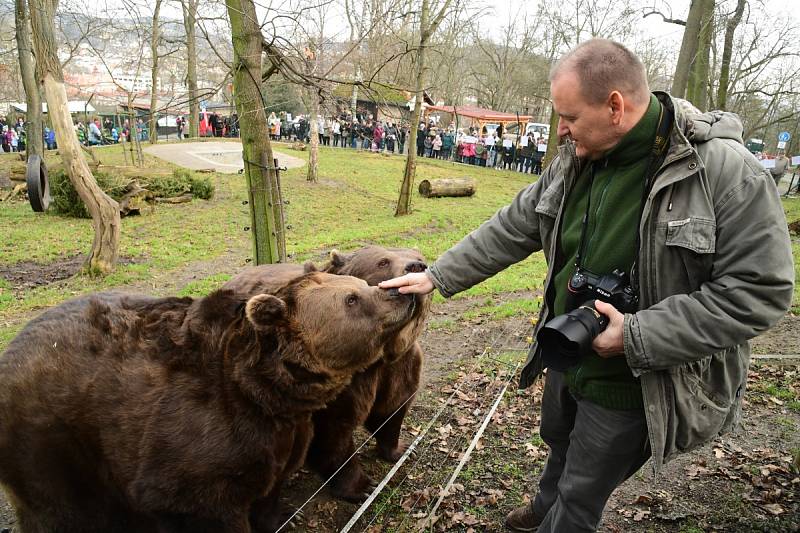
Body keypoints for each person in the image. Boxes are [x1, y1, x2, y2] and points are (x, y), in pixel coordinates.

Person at [378, 38, 794, 533]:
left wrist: (638, 335)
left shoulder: (725, 174)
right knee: (558, 440)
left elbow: (759, 291)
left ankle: (560, 514)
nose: (560, 129)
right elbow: (517, 223)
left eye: (570, 116)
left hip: (637, 380)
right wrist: (438, 275)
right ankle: (543, 505)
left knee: (581, 496)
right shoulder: (578, 154)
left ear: (615, 106)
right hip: (569, 348)